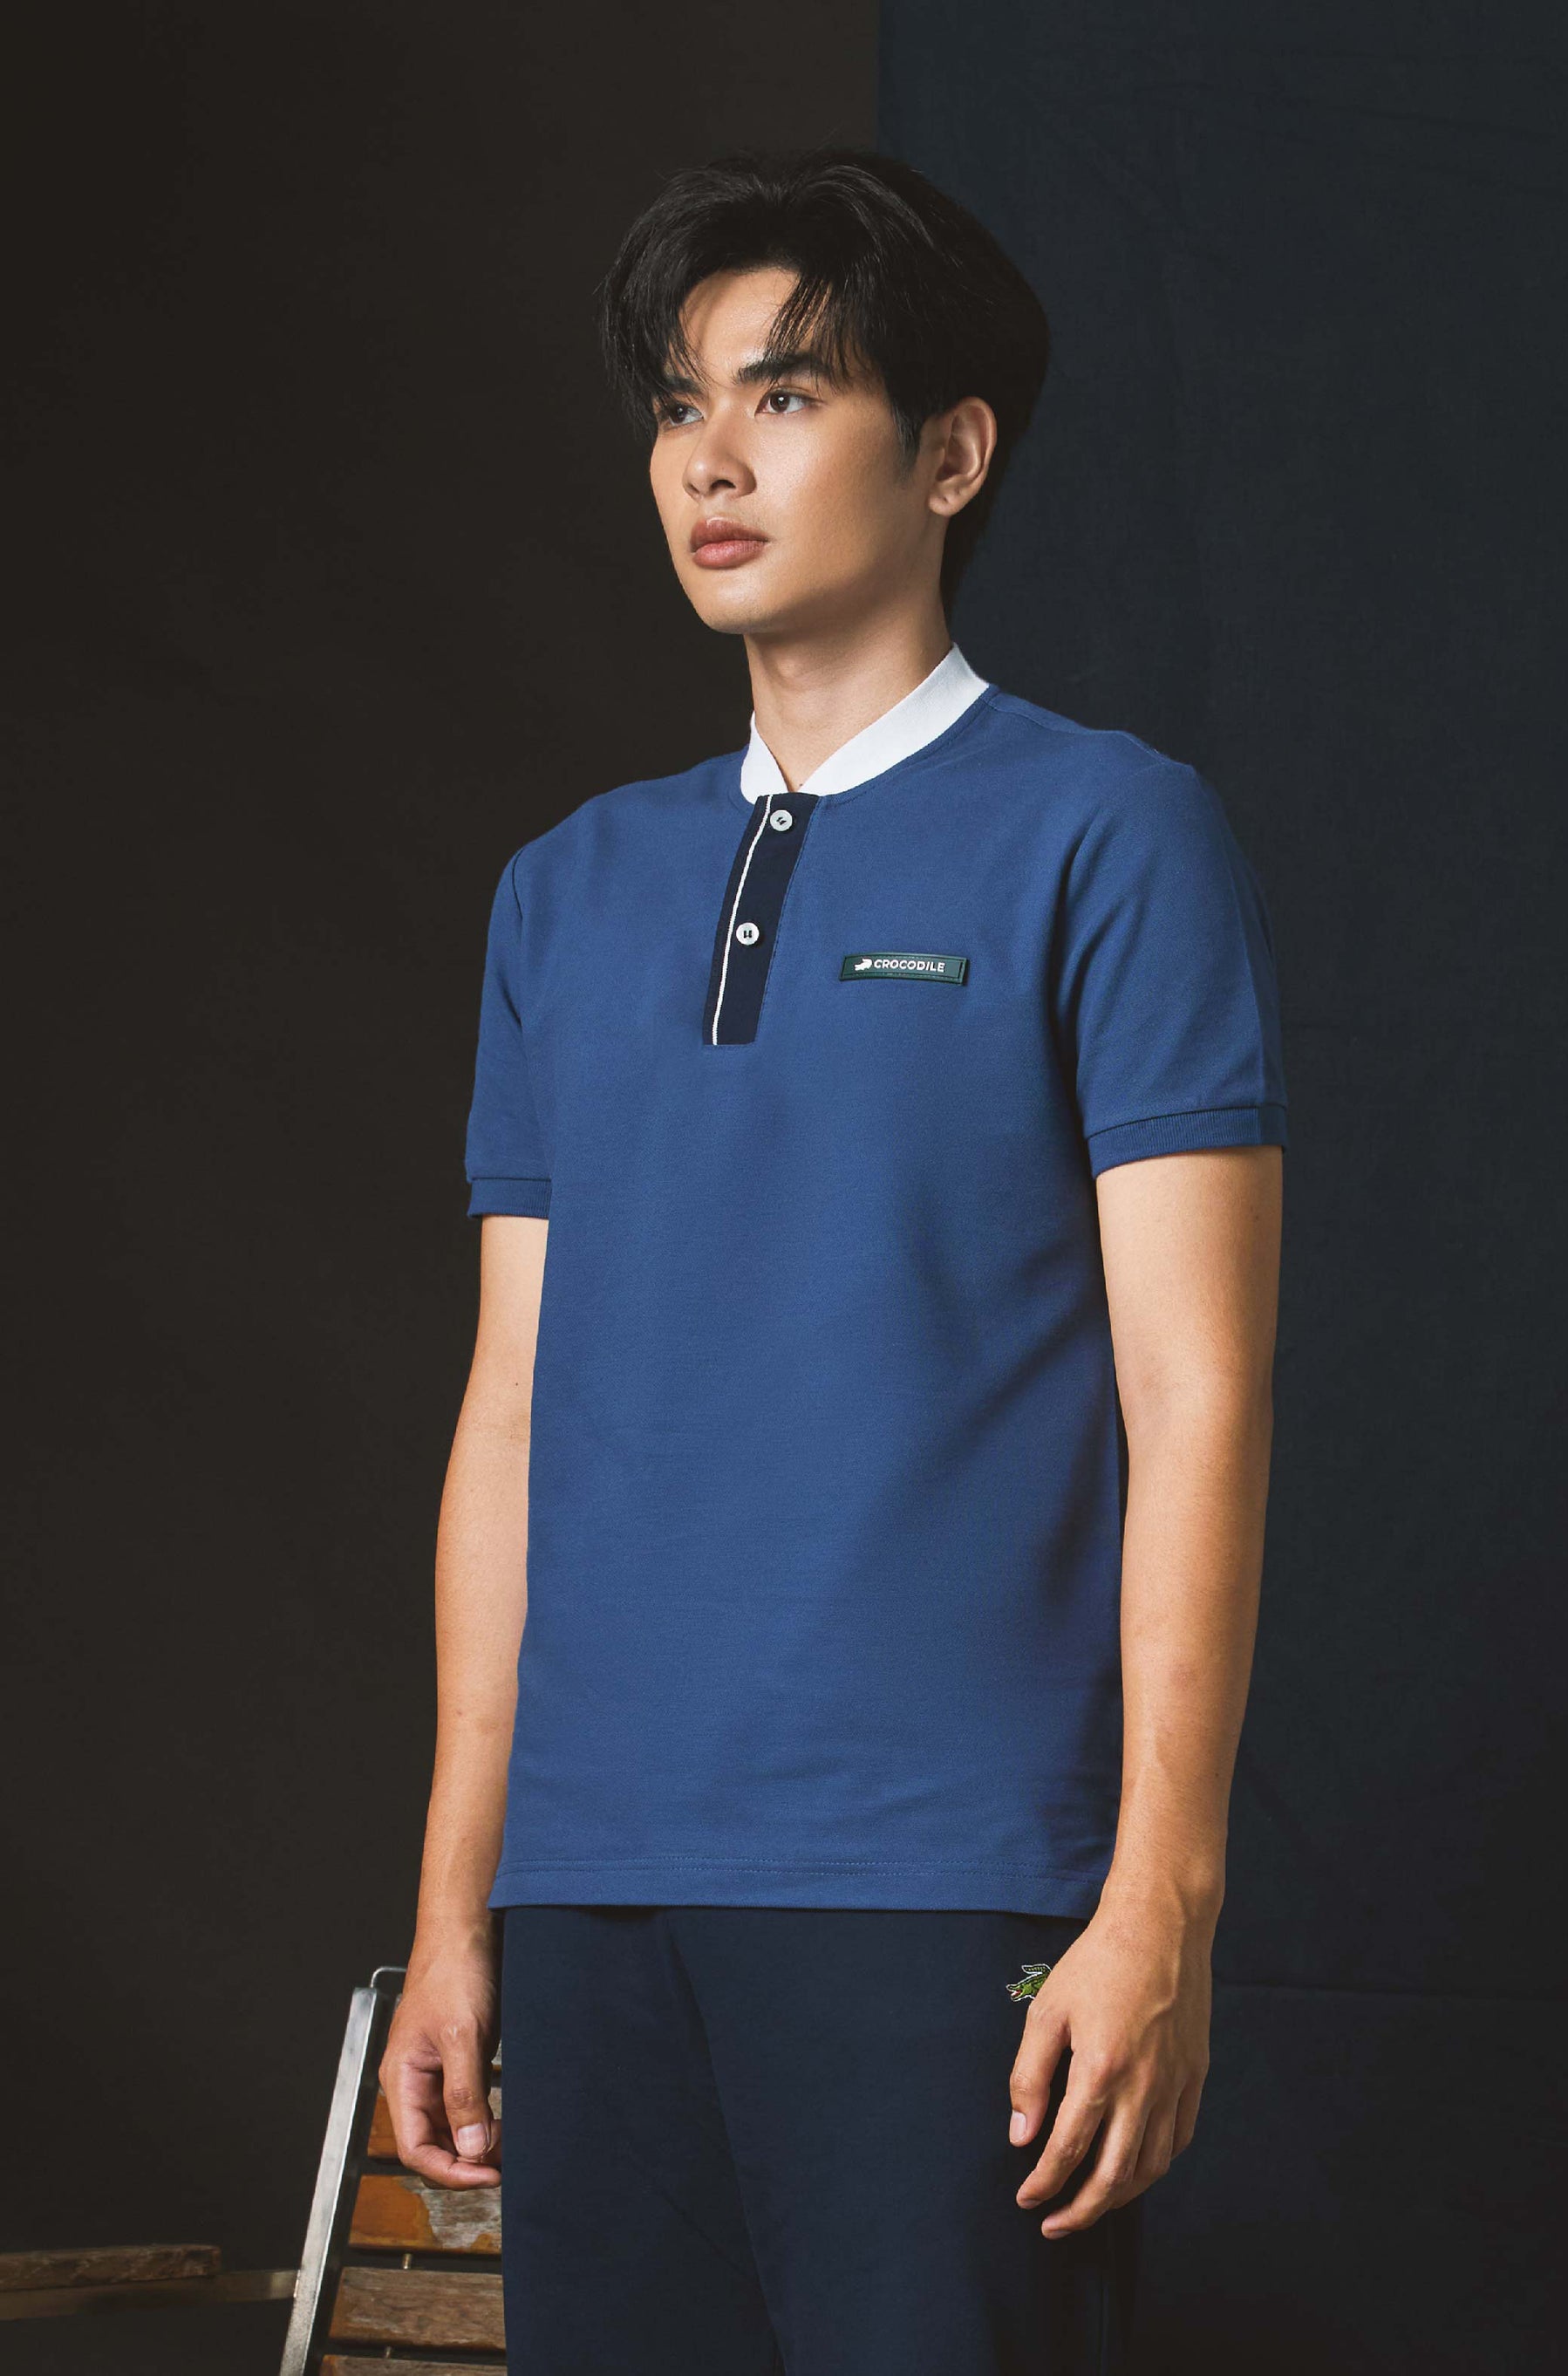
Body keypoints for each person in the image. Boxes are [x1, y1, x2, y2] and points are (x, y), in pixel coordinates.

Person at [378, 147, 1286, 2374]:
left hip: (942, 1874)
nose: (709, 458)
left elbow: (1196, 1397)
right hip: (593, 1884)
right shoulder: (564, 891)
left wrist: (1160, 1896)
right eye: (679, 404)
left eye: (784, 396)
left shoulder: (1108, 833)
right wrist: (458, 1901)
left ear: (949, 455)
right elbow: (509, 1416)